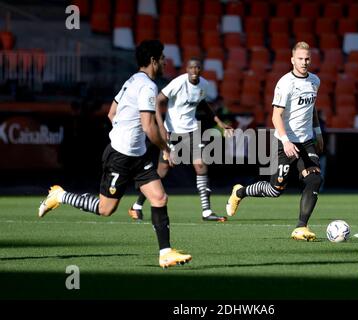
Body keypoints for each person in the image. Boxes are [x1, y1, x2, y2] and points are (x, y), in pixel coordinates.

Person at [38, 40, 192, 268]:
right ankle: (59, 196)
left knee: (159, 198)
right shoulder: (148, 86)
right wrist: (165, 148)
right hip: (120, 157)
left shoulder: (132, 80)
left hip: (136, 156)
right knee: (106, 209)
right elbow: (149, 127)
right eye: (161, 58)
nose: (164, 62)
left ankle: (165, 253)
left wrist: (126, 133)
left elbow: (112, 113)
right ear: (153, 61)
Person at [225, 41, 324, 241]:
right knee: (275, 189)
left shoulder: (315, 81)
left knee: (314, 179)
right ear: (292, 60)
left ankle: (301, 227)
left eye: (307, 59)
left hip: (306, 141)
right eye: (300, 59)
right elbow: (275, 116)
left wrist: (318, 132)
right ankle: (240, 192)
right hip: (284, 142)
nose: (304, 62)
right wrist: (286, 142)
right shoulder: (285, 83)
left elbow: (311, 109)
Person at [128, 57, 234, 222]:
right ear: (186, 69)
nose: (194, 71)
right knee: (162, 172)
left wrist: (220, 122)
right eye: (191, 68)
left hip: (192, 131)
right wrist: (162, 127)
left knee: (200, 165)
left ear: (201, 69)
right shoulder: (178, 83)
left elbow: (203, 103)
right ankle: (137, 206)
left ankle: (207, 211)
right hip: (172, 132)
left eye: (197, 68)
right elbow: (158, 101)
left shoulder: (204, 85)